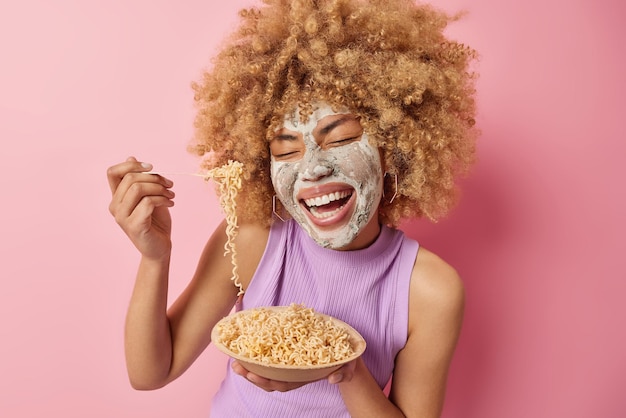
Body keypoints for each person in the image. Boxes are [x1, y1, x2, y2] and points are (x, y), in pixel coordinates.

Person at [107, 0, 478, 416]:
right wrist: (155, 258)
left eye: (338, 140)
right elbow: (150, 373)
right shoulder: (253, 237)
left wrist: (344, 368)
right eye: (286, 150)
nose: (312, 169)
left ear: (391, 148)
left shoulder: (429, 289)